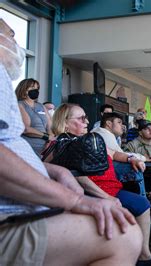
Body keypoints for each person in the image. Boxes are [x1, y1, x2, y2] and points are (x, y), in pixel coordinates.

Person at [0, 18, 142, 265]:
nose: (16, 42)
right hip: (12, 215)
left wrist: (54, 171)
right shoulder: (64, 141)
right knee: (122, 233)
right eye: (11, 34)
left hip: (31, 205)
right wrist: (76, 200)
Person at [49, 103, 151, 265]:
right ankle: (138, 255)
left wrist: (131, 158)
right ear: (65, 123)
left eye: (86, 117)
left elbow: (113, 153)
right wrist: (106, 197)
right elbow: (75, 177)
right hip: (92, 193)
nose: (87, 122)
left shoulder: (88, 140)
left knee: (143, 202)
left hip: (109, 188)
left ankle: (143, 255)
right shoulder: (62, 145)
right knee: (140, 204)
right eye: (81, 118)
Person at [91, 112, 148, 197]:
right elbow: (119, 154)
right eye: (119, 122)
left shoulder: (102, 133)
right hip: (101, 177)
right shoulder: (104, 134)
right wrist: (142, 158)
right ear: (109, 123)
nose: (122, 125)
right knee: (136, 169)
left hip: (99, 175)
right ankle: (144, 201)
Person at [16, 78, 54, 156]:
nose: (36, 90)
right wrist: (46, 137)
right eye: (32, 88)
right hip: (28, 149)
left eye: (37, 88)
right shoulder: (20, 105)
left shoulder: (41, 106)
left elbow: (50, 126)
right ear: (24, 89)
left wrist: (50, 140)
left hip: (44, 151)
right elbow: (26, 129)